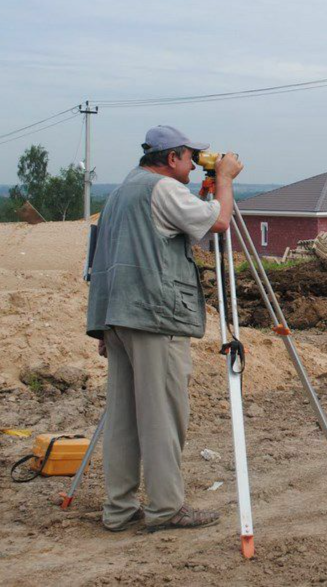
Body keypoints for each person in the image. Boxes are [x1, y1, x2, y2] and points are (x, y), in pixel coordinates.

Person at [86, 125, 243, 533]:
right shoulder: (163, 189)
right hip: (155, 317)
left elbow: (102, 257)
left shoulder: (121, 192)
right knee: (161, 416)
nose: (194, 165)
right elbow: (220, 222)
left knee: (123, 418)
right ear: (171, 158)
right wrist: (224, 180)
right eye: (191, 157)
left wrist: (101, 325)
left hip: (117, 317)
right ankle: (166, 508)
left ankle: (118, 509)